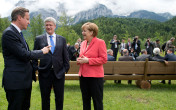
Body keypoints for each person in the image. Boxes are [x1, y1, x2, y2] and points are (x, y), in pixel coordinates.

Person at [1, 7, 50, 110]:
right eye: (27, 19)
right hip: (16, 82)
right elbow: (24, 54)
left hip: (23, 81)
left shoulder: (17, 33)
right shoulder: (9, 33)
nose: (29, 22)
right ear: (19, 18)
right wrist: (42, 51)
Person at [32, 17, 70, 110]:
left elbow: (66, 57)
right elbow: (35, 56)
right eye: (47, 25)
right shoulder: (39, 39)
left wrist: (65, 69)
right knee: (45, 99)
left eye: (50, 25)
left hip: (59, 74)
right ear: (44, 26)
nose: (48, 27)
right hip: (44, 73)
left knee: (59, 99)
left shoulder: (62, 39)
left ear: (55, 26)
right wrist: (36, 68)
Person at [77, 22, 107, 110]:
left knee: (97, 101)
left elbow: (103, 59)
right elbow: (82, 56)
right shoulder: (83, 43)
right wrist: (80, 60)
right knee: (85, 100)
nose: (83, 33)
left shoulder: (100, 42)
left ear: (91, 32)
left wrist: (88, 60)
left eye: (84, 31)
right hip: (83, 76)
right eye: (82, 31)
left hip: (95, 77)